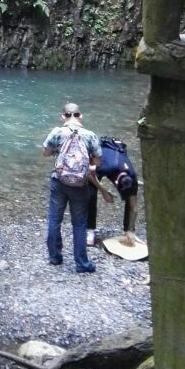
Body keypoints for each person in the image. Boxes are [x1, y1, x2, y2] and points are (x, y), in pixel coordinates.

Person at [42, 102, 102, 273]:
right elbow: (98, 162)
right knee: (79, 223)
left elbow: (45, 152)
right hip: (80, 184)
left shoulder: (57, 132)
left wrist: (58, 153)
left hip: (59, 181)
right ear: (80, 116)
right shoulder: (90, 135)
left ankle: (55, 257)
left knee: (54, 219)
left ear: (63, 117)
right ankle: (82, 263)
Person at [86, 137, 139, 247]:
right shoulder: (106, 168)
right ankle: (90, 229)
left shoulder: (133, 177)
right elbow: (89, 173)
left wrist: (131, 229)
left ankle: (127, 231)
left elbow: (134, 207)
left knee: (130, 202)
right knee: (90, 191)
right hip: (104, 156)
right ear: (115, 182)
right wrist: (104, 191)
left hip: (118, 158)